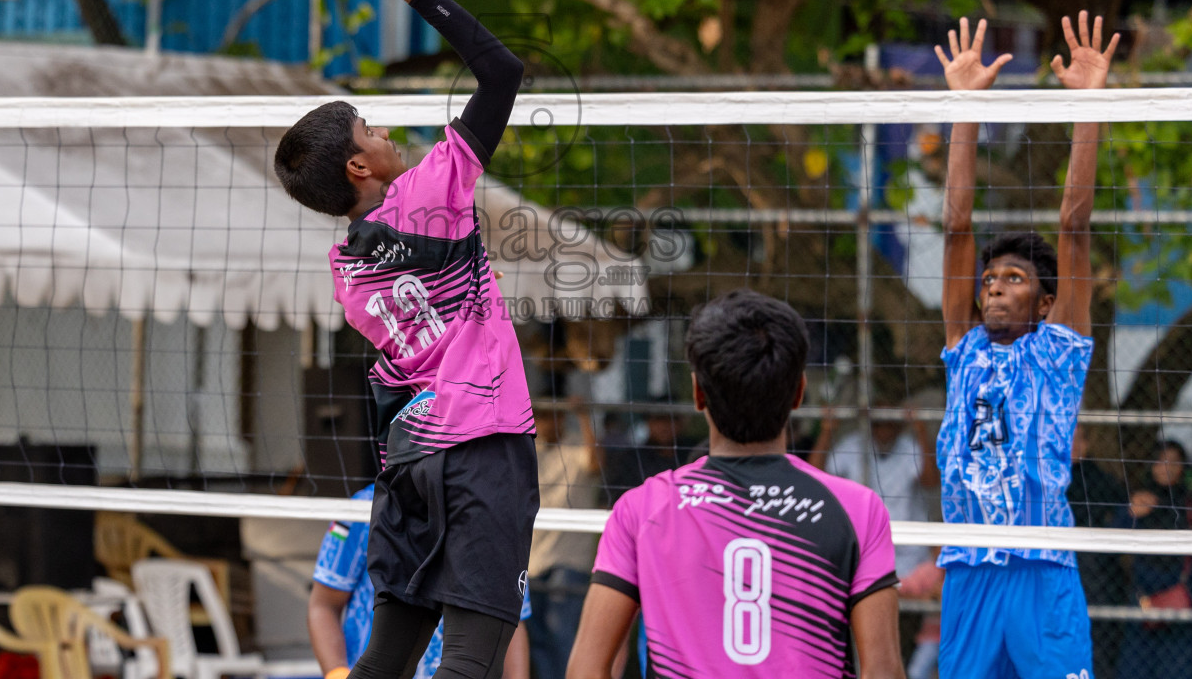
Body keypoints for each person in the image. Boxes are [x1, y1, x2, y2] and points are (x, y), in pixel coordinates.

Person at [274, 0, 534, 679]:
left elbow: (421, 294)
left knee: (385, 660)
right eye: (369, 128)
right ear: (358, 167)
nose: (383, 131)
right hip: (483, 446)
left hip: (410, 461)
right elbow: (502, 72)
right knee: (470, 663)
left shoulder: (347, 270)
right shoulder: (436, 186)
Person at [565, 289, 904, 679]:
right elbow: (883, 671)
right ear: (798, 393)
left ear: (697, 393)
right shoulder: (857, 508)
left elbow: (585, 669)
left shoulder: (641, 510)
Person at [933, 13, 1118, 678]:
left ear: (1044, 302)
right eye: (990, 280)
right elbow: (956, 227)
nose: (995, 289)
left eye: (1014, 280)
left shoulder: (1057, 349)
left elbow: (1073, 225)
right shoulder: (965, 346)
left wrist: (1088, 105)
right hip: (969, 569)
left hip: (1041, 567)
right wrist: (965, 108)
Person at [307, 484, 532, 679]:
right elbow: (323, 604)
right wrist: (337, 672)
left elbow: (512, 621)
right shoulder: (364, 508)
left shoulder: (494, 519)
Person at [811, 404, 940, 678]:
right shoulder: (852, 445)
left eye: (889, 422)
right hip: (866, 557)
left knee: (940, 596)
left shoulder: (908, 445)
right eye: (878, 423)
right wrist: (827, 431)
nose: (883, 429)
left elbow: (930, 481)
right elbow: (813, 478)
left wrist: (919, 428)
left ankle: (917, 670)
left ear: (897, 424)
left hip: (911, 559)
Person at [1115, 440, 1192, 679]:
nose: (1167, 467)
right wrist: (1130, 514)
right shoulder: (1139, 501)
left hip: (1185, 607)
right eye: (1160, 460)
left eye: (1174, 461)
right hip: (1142, 606)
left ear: (1184, 467)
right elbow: (1107, 546)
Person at [526, 399, 601, 679]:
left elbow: (596, 463)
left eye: (552, 416)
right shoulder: (530, 450)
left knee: (562, 637)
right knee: (539, 642)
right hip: (532, 562)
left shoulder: (577, 446)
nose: (546, 422)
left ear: (561, 418)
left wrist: (584, 416)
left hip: (569, 561)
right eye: (541, 416)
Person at [1068, 426, 1129, 679]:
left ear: (1086, 444)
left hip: (1096, 582)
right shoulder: (1042, 482)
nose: (1070, 445)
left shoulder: (1102, 482)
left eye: (1076, 439)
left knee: (1096, 648)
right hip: (1053, 578)